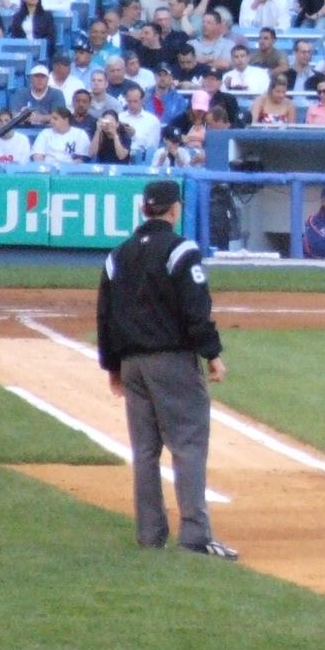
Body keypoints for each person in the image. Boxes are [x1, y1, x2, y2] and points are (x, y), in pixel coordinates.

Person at [95, 179, 236, 560]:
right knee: (188, 444)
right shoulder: (181, 250)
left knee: (144, 449)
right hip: (171, 361)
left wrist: (112, 365)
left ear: (144, 209)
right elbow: (196, 309)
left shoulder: (118, 254)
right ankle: (194, 534)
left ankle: (150, 535)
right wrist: (213, 353)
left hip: (132, 363)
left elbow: (105, 314)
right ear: (174, 209)